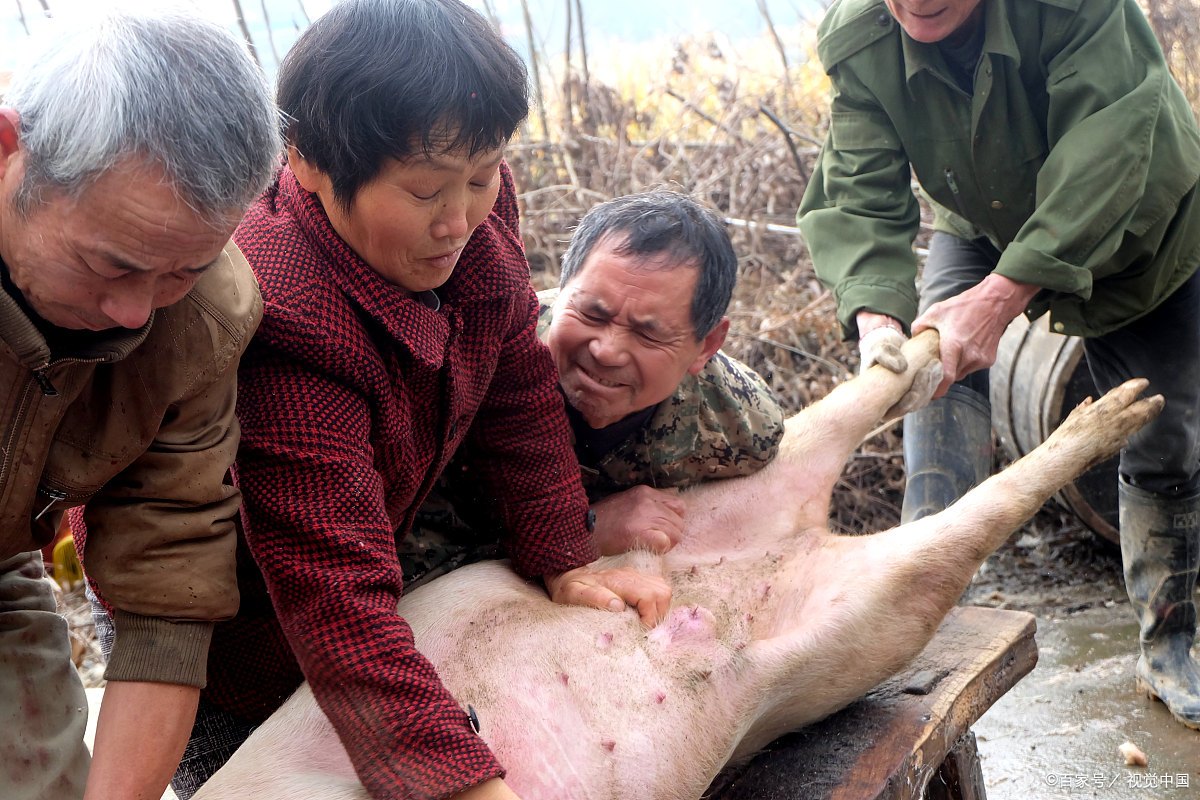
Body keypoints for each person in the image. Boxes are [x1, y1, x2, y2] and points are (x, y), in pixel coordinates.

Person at [184, 2, 670, 799]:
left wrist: (561, 553)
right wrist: (464, 785)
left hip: (366, 553)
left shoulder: (472, 217)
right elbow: (334, 594)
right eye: (423, 192)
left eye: (482, 178)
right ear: (305, 162)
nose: (459, 220)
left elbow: (516, 379)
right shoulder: (283, 320)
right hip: (226, 620)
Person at [797, 0, 1200, 728]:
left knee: (1163, 435)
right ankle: (923, 621)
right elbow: (857, 191)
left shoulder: (1076, 9)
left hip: (1141, 225)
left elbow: (1105, 158)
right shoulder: (863, 38)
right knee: (923, 376)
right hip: (983, 217)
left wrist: (1001, 298)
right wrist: (876, 315)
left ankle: (1172, 644)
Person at [0, 8, 279, 800]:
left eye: (181, 270)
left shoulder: (205, 320)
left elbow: (169, 583)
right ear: (8, 153)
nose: (137, 313)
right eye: (113, 264)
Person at [411, 191, 788, 575]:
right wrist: (584, 533)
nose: (607, 351)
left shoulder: (741, 425)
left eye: (648, 334)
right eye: (592, 313)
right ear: (561, 289)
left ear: (705, 346)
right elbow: (393, 559)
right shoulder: (462, 364)